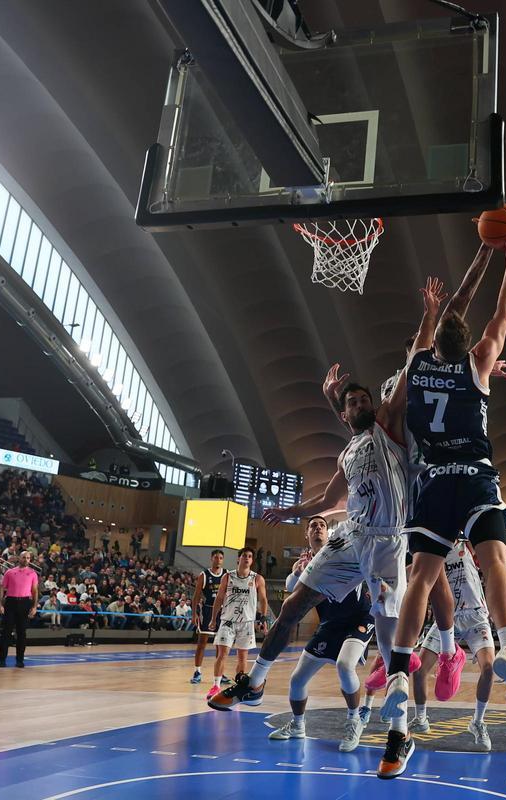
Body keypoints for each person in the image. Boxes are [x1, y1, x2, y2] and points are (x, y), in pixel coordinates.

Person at [211, 277, 448, 731]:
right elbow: (328, 498)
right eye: (352, 401)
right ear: (343, 414)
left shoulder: (390, 427)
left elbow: (416, 359)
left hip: (387, 542)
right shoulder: (348, 450)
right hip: (350, 537)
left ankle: (398, 727)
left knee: (388, 635)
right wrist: (292, 513)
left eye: (365, 398)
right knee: (294, 604)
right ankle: (256, 682)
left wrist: (430, 315)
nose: (361, 402)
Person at [380, 230, 506, 779]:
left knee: (420, 578)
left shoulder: (417, 365)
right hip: (474, 475)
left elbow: (444, 320)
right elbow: (503, 311)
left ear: (431, 338)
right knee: (492, 559)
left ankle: (399, 669)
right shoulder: (479, 362)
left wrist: (437, 302)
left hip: (431, 482)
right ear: (469, 346)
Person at [408, 542, 506, 752]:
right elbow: (414, 570)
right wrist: (389, 577)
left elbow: (498, 563)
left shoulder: (468, 544)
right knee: (419, 672)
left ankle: (478, 722)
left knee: (489, 668)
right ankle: (421, 718)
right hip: (446, 617)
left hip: (476, 617)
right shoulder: (435, 545)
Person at [268, 516, 380, 752]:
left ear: (328, 533)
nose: (318, 528)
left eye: (322, 525)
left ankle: (354, 721)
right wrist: (296, 573)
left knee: (344, 665)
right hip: (329, 624)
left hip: (358, 618)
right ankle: (298, 725)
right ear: (306, 535)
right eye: (313, 526)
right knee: (297, 680)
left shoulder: (343, 549)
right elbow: (290, 588)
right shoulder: (305, 565)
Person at [207, 549, 270, 699]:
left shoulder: (257, 579)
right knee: (222, 654)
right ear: (238, 559)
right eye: (244, 556)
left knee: (242, 657)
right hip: (228, 621)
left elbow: (263, 600)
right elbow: (219, 598)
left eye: (250, 556)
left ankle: (239, 687)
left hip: (247, 623)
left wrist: (263, 618)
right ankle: (216, 686)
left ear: (252, 561)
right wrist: (213, 618)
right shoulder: (228, 577)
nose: (247, 558)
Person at [0, 550, 39, 668]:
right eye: (24, 557)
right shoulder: (10, 572)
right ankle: (2, 660)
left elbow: (34, 591)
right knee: (6, 632)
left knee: (21, 633)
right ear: (19, 558)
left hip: (25, 603)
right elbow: (1, 588)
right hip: (11, 602)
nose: (26, 560)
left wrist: (34, 606)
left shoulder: (33, 573)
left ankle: (20, 660)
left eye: (28, 558)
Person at [189, 550, 226, 684]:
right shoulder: (204, 575)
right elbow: (196, 596)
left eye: (221, 558)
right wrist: (194, 614)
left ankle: (220, 672)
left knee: (221, 645)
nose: (219, 560)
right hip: (207, 611)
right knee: (202, 643)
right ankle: (197, 671)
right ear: (211, 558)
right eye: (216, 557)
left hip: (223, 612)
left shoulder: (226, 575)